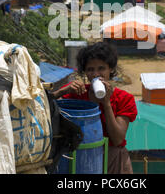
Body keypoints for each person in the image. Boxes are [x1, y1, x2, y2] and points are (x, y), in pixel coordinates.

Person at [52, 42, 137, 174]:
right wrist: (62, 91)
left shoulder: (124, 99)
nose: (96, 74)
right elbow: (47, 108)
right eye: (90, 70)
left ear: (111, 70)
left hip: (114, 161)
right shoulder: (77, 93)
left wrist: (106, 104)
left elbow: (117, 139)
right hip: (81, 160)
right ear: (85, 72)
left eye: (101, 68)